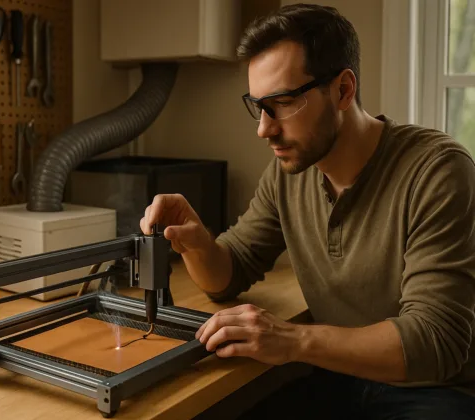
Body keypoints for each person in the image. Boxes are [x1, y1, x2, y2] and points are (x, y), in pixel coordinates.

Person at [140, 3, 475, 419]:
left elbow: (435, 342)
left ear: (343, 90)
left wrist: (291, 340)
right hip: (336, 378)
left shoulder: (437, 170)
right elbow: (230, 273)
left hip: (435, 392)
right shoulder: (289, 173)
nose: (264, 128)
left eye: (281, 103)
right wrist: (195, 240)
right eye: (258, 106)